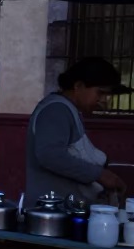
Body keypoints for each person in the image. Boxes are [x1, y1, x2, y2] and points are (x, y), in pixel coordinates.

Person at [26, 57, 129, 202]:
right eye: (100, 93)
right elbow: (49, 155)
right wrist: (99, 175)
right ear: (78, 86)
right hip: (51, 213)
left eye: (107, 95)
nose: (104, 100)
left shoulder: (69, 110)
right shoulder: (56, 110)